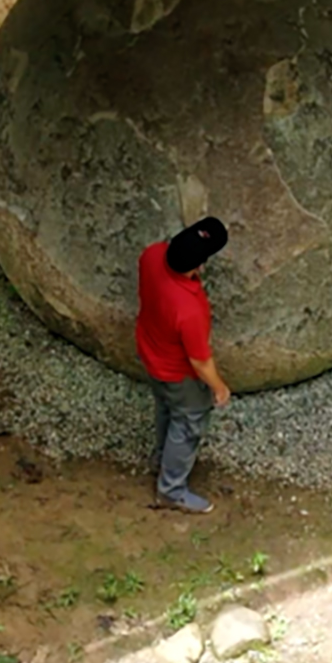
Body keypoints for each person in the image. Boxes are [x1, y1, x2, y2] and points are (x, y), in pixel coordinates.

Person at [135, 217, 232, 514]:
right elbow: (200, 362)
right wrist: (219, 388)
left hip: (150, 354)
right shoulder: (190, 308)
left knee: (166, 408)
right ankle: (172, 490)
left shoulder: (152, 255)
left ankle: (163, 459)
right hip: (178, 373)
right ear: (198, 266)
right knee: (188, 422)